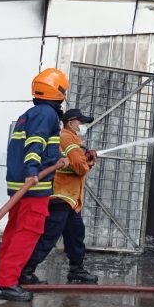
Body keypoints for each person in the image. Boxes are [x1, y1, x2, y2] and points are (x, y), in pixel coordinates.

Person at [0, 68, 71, 302]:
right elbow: (35, 143)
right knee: (27, 234)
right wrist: (33, 171)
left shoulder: (31, 113)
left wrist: (57, 159)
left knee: (14, 232)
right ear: (58, 91)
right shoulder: (47, 114)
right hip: (33, 187)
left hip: (20, 185)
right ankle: (6, 283)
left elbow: (40, 143)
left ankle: (6, 279)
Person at [20, 108, 99, 285]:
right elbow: (80, 167)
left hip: (69, 199)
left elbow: (76, 163)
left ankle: (76, 270)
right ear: (71, 122)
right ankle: (26, 271)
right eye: (81, 122)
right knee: (49, 235)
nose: (83, 125)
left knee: (76, 234)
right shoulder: (67, 137)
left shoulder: (71, 139)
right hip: (60, 197)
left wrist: (86, 159)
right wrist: (88, 162)